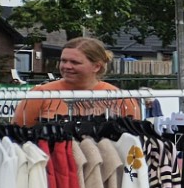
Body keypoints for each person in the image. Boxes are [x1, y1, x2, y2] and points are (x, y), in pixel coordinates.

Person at [11, 37, 140, 125]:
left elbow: (133, 142)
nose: (67, 66)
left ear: (96, 66)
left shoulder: (121, 99)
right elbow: (17, 134)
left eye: (75, 62)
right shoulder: (40, 94)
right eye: (63, 61)